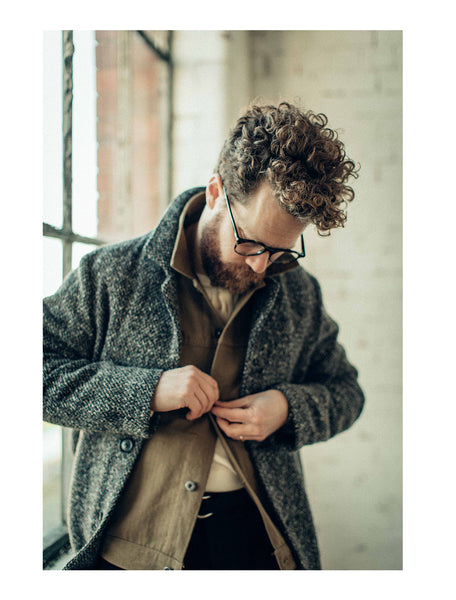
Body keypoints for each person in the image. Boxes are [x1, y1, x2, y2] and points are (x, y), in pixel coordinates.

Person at [43, 102, 364, 569]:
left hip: (257, 543)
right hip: (127, 548)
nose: (261, 266)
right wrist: (145, 391)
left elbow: (346, 392)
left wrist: (289, 409)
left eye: (280, 252)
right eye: (250, 243)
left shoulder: (298, 293)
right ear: (216, 192)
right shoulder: (110, 275)